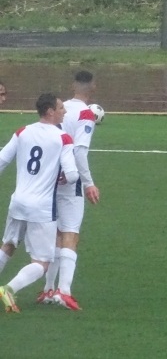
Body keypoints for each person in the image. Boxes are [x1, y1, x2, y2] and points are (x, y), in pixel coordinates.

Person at [0, 93, 79, 313]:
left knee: (7, 246)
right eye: (61, 108)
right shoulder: (63, 138)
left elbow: (2, 160)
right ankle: (8, 289)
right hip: (41, 208)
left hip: (18, 202)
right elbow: (72, 175)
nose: (64, 111)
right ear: (50, 112)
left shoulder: (23, 132)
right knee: (42, 263)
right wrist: (63, 177)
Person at [38, 71, 101, 310]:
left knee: (56, 233)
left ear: (73, 86)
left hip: (49, 178)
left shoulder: (59, 109)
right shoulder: (86, 113)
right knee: (71, 233)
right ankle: (64, 291)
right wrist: (88, 183)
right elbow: (80, 151)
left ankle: (48, 289)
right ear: (93, 88)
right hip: (70, 179)